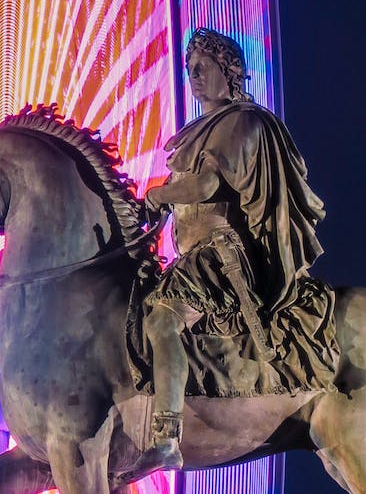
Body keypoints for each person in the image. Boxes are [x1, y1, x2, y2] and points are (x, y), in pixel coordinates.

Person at [131, 28, 333, 475]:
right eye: (189, 70)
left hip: (221, 254)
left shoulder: (242, 122)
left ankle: (166, 437)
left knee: (163, 318)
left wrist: (159, 195)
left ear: (231, 73)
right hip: (190, 254)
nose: (194, 77)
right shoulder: (198, 132)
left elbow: (205, 186)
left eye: (204, 68)